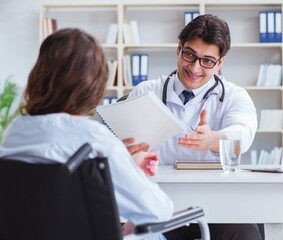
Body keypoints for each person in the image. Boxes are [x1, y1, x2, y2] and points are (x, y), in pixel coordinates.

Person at [0, 28, 172, 240]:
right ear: (92, 85)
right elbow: (157, 211)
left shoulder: (13, 133)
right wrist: (127, 169)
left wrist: (119, 165)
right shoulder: (94, 140)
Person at [124, 14, 263, 240]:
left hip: (218, 206)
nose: (196, 68)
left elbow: (242, 136)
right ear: (179, 48)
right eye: (190, 55)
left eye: (207, 60)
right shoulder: (145, 93)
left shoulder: (235, 97)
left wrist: (213, 140)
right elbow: (122, 148)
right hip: (159, 205)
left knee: (245, 235)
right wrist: (123, 150)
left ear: (220, 63)